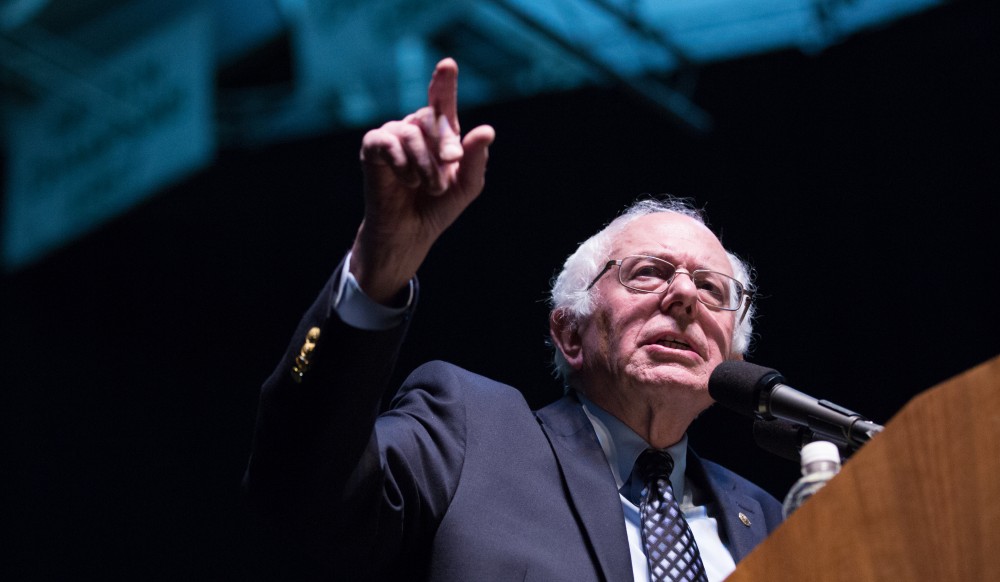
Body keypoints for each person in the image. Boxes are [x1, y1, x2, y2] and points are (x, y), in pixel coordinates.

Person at [244, 58, 782, 581]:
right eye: (647, 273)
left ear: (732, 357)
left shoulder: (769, 520)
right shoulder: (470, 433)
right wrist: (375, 272)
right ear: (570, 332)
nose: (685, 295)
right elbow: (300, 494)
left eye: (712, 288)